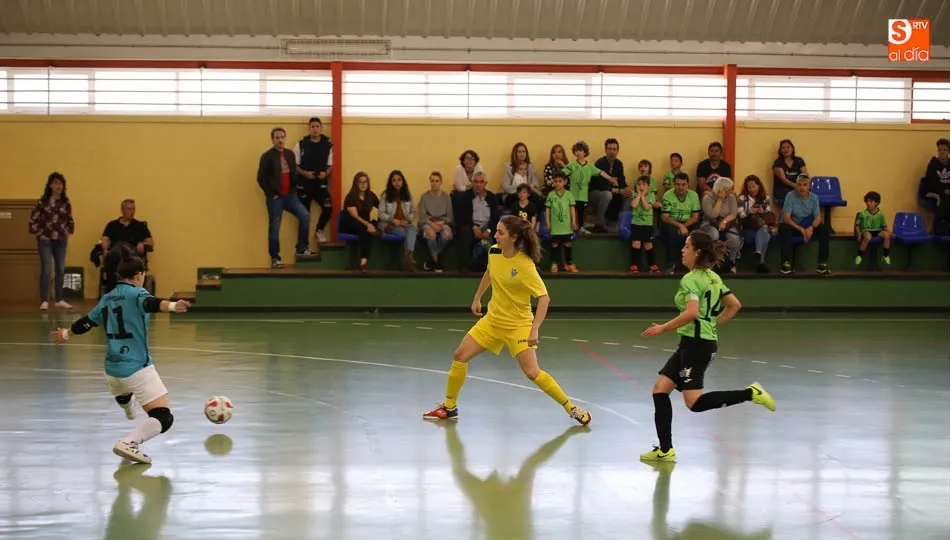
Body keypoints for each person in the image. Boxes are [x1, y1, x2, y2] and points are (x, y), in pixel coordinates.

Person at [422, 215, 592, 426]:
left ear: (514, 237)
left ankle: (572, 408)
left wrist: (534, 329)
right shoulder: (494, 251)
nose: (495, 235)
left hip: (518, 326)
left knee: (532, 372)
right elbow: (490, 272)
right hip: (492, 321)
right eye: (496, 231)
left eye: (501, 232)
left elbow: (544, 298)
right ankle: (449, 407)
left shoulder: (525, 265)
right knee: (459, 356)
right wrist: (477, 297)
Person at [639, 230, 775, 462]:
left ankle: (750, 393)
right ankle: (665, 449)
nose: (683, 250)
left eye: (686, 246)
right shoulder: (712, 277)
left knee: (694, 402)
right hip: (694, 343)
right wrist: (712, 324)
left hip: (697, 346)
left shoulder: (691, 279)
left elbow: (691, 312)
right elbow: (734, 305)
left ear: (697, 251)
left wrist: (663, 327)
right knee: (660, 390)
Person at [49, 245, 190, 465]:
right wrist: (173, 306)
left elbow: (87, 322)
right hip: (137, 367)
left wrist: (66, 333)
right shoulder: (137, 294)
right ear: (139, 275)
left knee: (123, 392)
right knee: (163, 416)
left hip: (112, 369)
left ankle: (127, 407)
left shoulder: (107, 298)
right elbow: (152, 304)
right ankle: (130, 442)